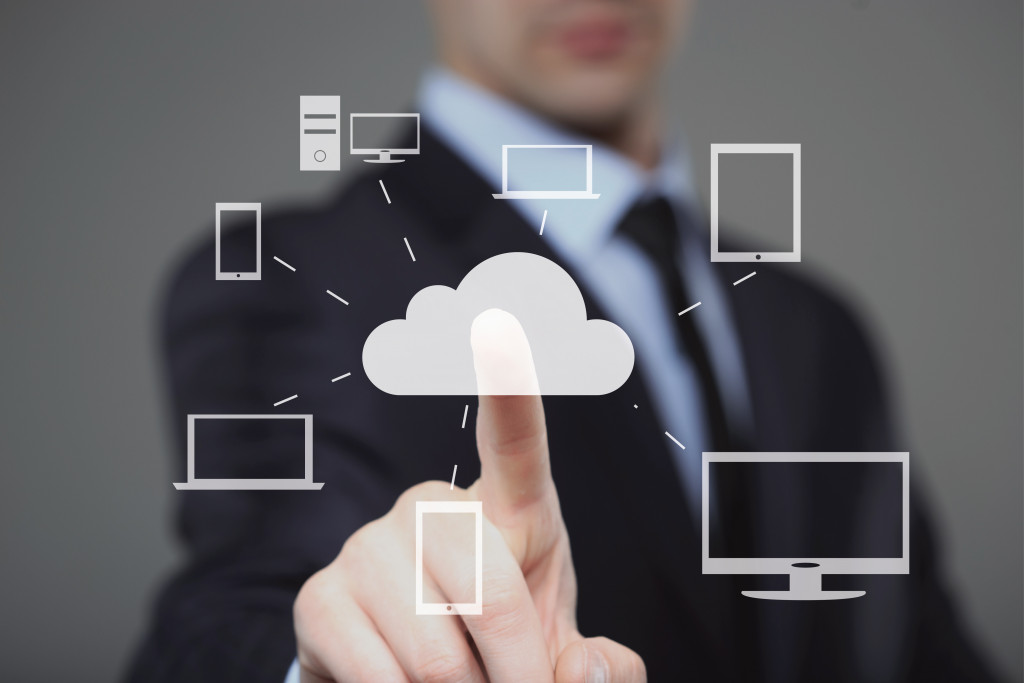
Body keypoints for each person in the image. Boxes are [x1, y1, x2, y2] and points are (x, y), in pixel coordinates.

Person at [127, 1, 1000, 681]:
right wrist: (325, 663)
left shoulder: (816, 328)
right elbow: (231, 610)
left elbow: (916, 647)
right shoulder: (297, 277)